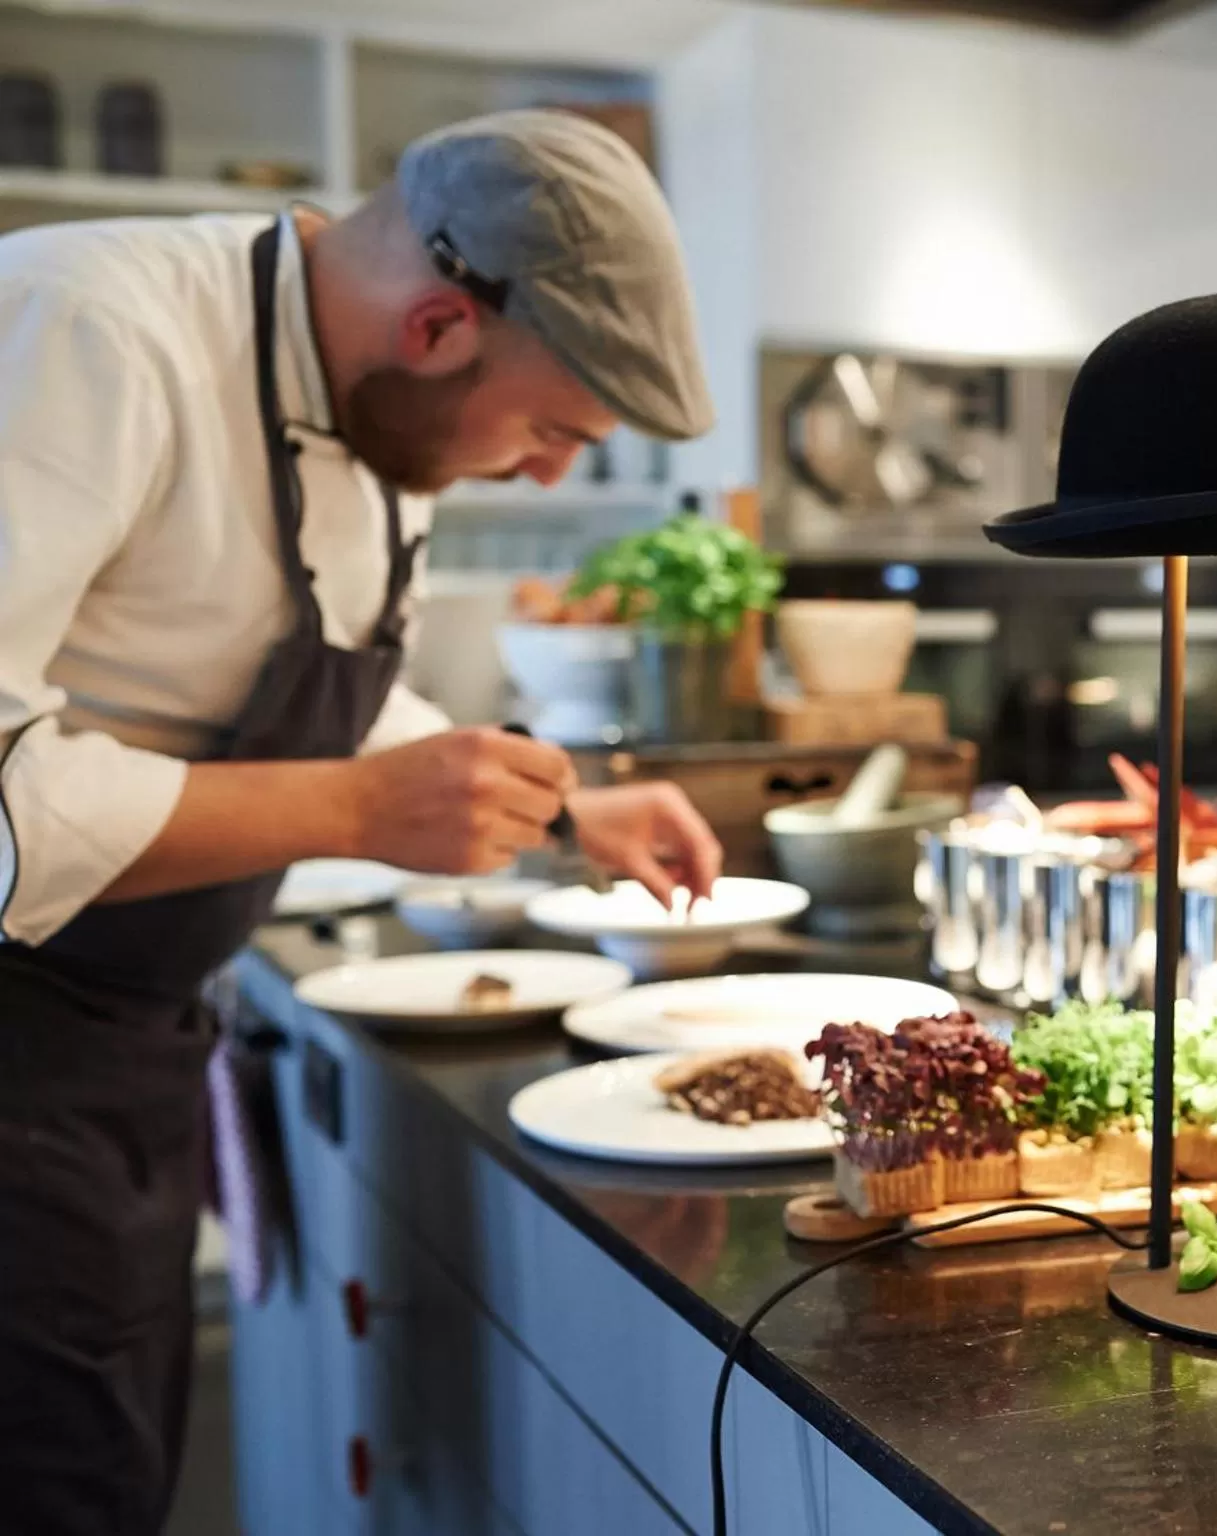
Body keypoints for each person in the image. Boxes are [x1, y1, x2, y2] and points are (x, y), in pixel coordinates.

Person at [0, 108, 725, 1533]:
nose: (547, 475)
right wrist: (348, 809)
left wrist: (564, 798)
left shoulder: (383, 424)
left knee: (108, 1479)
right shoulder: (85, 328)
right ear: (441, 323)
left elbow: (297, 695)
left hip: (123, 1053)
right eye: (550, 428)